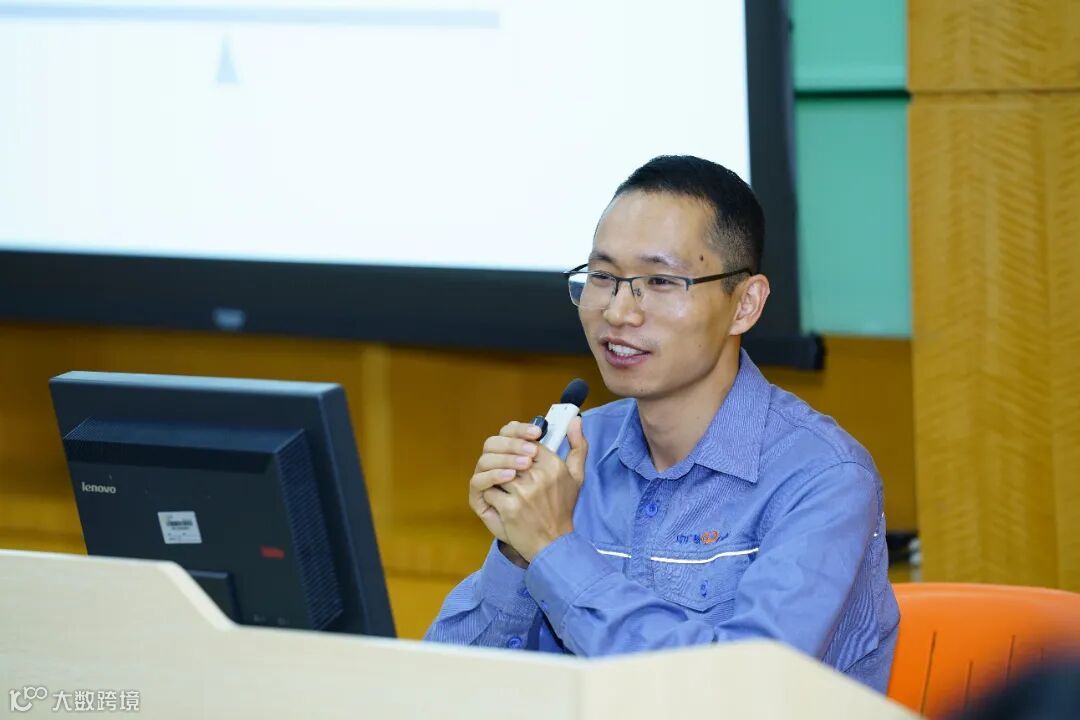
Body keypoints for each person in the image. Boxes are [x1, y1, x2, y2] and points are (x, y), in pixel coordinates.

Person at [424, 155, 900, 691]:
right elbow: (448, 686)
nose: (618, 313)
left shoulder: (824, 479)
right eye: (603, 277)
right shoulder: (577, 452)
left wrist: (555, 550)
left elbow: (740, 693)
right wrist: (518, 547)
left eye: (660, 281)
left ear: (745, 304)